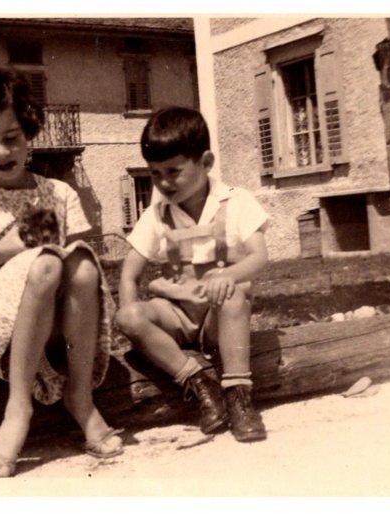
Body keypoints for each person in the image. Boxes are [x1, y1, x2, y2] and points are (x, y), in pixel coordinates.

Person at [0, 64, 123, 477]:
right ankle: (17, 410)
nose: (1, 153)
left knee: (82, 266)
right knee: (47, 262)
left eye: (11, 138)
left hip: (45, 321)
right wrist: (4, 252)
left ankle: (80, 398)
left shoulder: (57, 193)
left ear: (28, 129)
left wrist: (46, 255)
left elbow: (82, 280)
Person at [115, 107, 269, 442]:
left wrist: (231, 275)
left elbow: (260, 257)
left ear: (206, 162)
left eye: (174, 171)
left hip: (220, 317)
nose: (164, 183)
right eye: (155, 174)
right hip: (177, 316)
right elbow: (129, 275)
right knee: (127, 314)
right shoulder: (156, 215)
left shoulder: (236, 201)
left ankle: (238, 394)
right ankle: (198, 382)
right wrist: (137, 332)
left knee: (233, 297)